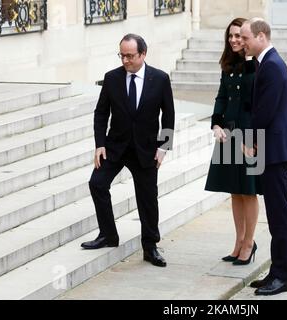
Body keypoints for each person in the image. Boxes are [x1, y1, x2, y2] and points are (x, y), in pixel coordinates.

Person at [80, 34, 175, 268]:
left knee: (147, 199)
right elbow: (101, 113)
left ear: (143, 54)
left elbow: (169, 116)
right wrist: (100, 144)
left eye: (130, 56)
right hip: (115, 147)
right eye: (122, 55)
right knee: (97, 183)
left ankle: (150, 246)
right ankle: (108, 235)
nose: (125, 60)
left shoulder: (160, 79)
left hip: (146, 150)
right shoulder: (112, 78)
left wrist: (164, 147)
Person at [240, 18, 287, 295]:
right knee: (275, 215)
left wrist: (249, 140)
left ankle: (283, 275)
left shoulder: (272, 66)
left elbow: (265, 111)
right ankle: (277, 271)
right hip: (271, 150)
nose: (242, 43)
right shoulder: (266, 62)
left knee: (280, 215)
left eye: (246, 37)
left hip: (274, 152)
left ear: (261, 36)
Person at [204, 18, 262, 266]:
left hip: (248, 135)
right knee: (234, 191)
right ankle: (239, 241)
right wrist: (216, 123)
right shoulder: (227, 65)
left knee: (248, 191)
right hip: (228, 133)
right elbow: (222, 97)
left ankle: (250, 242)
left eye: (239, 36)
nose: (235, 40)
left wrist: (251, 138)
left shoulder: (256, 65)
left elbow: (256, 102)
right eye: (231, 36)